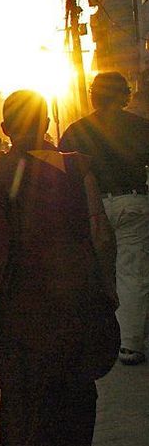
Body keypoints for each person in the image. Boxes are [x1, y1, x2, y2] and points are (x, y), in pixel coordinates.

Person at [0, 90, 118, 446]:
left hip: (14, 314)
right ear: (46, 124)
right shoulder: (74, 168)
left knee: (21, 401)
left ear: (5, 128)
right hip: (73, 305)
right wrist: (108, 290)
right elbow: (101, 235)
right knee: (75, 396)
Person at [60, 71, 149, 366]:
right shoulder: (140, 127)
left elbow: (63, 176)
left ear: (94, 95)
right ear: (124, 94)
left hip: (92, 207)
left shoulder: (76, 131)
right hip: (132, 204)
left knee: (96, 271)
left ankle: (94, 334)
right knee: (131, 272)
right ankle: (130, 344)